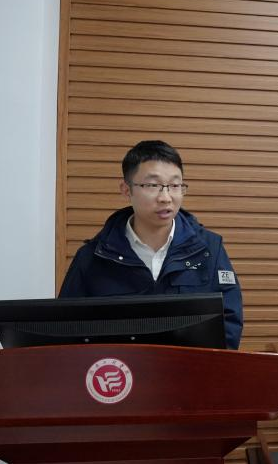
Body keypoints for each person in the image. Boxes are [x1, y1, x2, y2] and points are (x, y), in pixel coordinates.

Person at [59, 140, 243, 348]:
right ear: (126, 190)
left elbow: (229, 321)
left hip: (190, 366)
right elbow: (67, 328)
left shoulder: (209, 249)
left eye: (175, 185)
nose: (166, 198)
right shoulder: (94, 256)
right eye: (153, 185)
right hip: (120, 368)